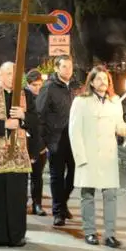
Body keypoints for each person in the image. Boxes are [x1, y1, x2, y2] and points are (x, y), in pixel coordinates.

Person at [68, 65, 126, 247]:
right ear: (91, 82)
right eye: (98, 79)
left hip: (107, 157)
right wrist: (80, 158)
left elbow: (119, 127)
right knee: (88, 196)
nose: (103, 82)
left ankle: (110, 235)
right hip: (88, 156)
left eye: (105, 79)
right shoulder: (81, 102)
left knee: (110, 196)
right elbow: (74, 132)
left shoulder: (115, 101)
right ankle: (90, 232)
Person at [0, 62, 40, 247]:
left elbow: (36, 122)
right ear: (1, 75)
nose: (12, 77)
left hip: (18, 154)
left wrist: (24, 115)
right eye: (9, 73)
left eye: (16, 74)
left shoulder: (26, 95)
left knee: (16, 196)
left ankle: (16, 235)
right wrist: (4, 124)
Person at [36, 55, 78, 226]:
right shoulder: (49, 88)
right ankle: (58, 211)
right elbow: (40, 114)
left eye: (70, 66)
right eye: (64, 67)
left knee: (75, 174)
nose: (68, 70)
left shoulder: (76, 87)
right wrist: (42, 141)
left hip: (75, 137)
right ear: (57, 69)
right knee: (57, 175)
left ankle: (62, 201)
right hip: (56, 138)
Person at [25, 69, 47, 215]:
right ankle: (22, 202)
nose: (37, 88)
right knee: (21, 176)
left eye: (39, 84)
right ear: (28, 84)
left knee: (37, 176)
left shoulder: (45, 97)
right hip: (25, 141)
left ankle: (37, 203)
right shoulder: (23, 97)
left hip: (41, 142)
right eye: (34, 85)